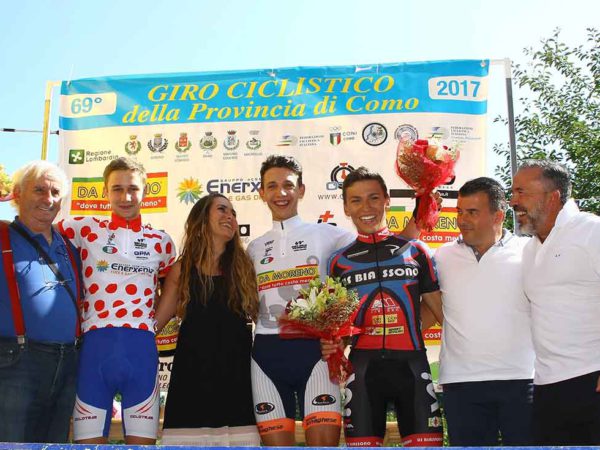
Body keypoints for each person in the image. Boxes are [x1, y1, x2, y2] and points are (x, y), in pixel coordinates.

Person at [58, 157, 176, 445]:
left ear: (145, 191)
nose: (126, 197)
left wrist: (154, 325)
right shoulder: (82, 228)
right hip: (94, 349)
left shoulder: (161, 241)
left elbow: (174, 288)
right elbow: (35, 231)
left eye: (133, 189)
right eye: (117, 189)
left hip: (141, 351)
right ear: (105, 191)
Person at [325, 167, 444, 447]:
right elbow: (340, 327)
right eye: (356, 200)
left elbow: (442, 313)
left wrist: (409, 329)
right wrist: (334, 344)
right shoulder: (338, 262)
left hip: (412, 367)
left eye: (374, 198)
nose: (366, 207)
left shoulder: (416, 251)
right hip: (363, 370)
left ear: (387, 200)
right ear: (346, 208)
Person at [247, 155, 356, 446]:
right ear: (261, 193)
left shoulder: (329, 235)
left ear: (302, 190)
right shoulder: (254, 248)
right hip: (267, 355)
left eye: (288, 185)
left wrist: (343, 336)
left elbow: (378, 249)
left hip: (316, 354)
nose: (280, 193)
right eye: (272, 186)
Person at [435, 177, 534, 446]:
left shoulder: (530, 251)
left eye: (472, 212)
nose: (462, 220)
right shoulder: (441, 256)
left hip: (522, 378)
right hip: (461, 382)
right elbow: (427, 310)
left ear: (498, 215)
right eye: (459, 212)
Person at [155, 193, 260, 446]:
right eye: (222, 209)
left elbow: (264, 318)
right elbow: (155, 324)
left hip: (237, 378)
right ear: (201, 219)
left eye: (233, 213)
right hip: (192, 377)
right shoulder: (181, 269)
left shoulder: (245, 266)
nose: (230, 217)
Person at [510, 159, 600, 445]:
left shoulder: (592, 231)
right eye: (513, 192)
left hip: (592, 380)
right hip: (546, 388)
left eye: (521, 192)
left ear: (553, 197)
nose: (513, 201)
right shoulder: (529, 249)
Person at [0, 161, 82, 443]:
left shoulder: (69, 246)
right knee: (11, 443)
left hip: (67, 362)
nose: (48, 199)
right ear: (17, 194)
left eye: (55, 193)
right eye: (39, 190)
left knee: (53, 444)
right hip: (16, 362)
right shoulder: (3, 236)